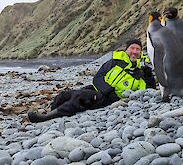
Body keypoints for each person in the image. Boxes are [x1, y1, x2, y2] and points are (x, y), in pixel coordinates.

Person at [28, 38, 156, 123]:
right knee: (64, 95)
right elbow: (98, 77)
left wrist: (149, 76)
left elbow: (150, 91)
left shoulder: (142, 69)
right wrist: (106, 90)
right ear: (126, 49)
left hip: (114, 98)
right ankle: (52, 114)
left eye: (137, 49)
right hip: (102, 91)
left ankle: (44, 118)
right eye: (132, 48)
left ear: (140, 51)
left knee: (81, 97)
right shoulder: (114, 62)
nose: (134, 52)